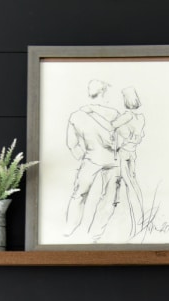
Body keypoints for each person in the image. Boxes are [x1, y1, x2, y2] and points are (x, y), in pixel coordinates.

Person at [64, 79, 120, 238]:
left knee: (79, 195)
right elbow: (120, 142)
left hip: (91, 158)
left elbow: (71, 143)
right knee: (109, 199)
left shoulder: (76, 115)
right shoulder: (115, 114)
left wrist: (84, 157)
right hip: (113, 161)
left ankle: (70, 228)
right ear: (104, 91)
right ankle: (97, 233)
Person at [110, 87, 146, 235]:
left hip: (123, 152)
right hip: (132, 152)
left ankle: (138, 217)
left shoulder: (127, 116)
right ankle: (140, 213)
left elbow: (111, 125)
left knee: (127, 183)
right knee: (131, 181)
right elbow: (140, 135)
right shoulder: (141, 117)